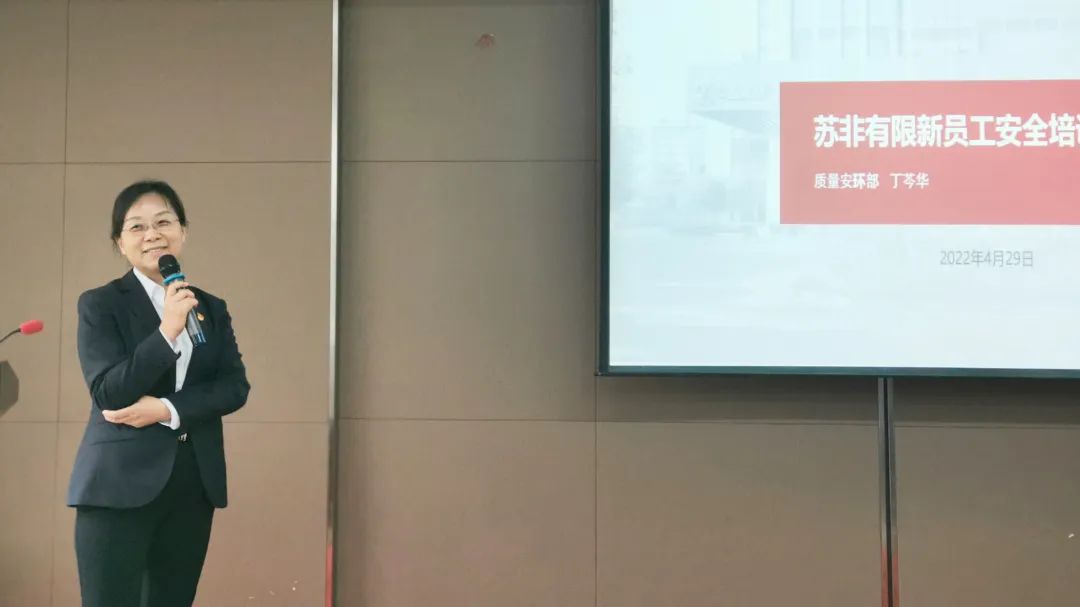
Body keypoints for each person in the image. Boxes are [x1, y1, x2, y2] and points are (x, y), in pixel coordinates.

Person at [67, 180, 250, 607]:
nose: (152, 234)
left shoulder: (209, 307)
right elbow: (109, 391)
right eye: (137, 226)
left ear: (183, 231)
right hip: (117, 485)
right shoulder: (100, 304)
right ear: (120, 242)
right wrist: (167, 330)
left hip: (192, 485)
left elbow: (233, 387)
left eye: (164, 222)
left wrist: (167, 409)